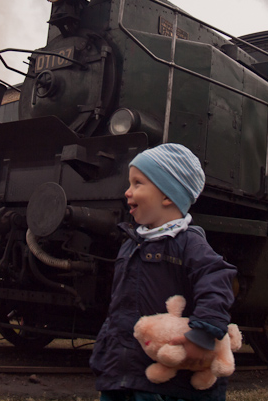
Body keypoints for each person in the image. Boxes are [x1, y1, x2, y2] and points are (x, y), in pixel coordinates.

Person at [90, 144, 237, 401]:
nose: (127, 192)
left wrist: (201, 334)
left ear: (167, 196)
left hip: (168, 381)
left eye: (138, 183)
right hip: (122, 371)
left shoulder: (189, 243)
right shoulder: (131, 243)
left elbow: (217, 279)